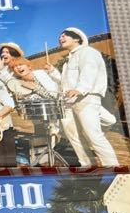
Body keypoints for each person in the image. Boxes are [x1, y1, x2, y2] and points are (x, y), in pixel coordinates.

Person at [48, 27, 119, 167]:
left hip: (86, 98)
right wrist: (53, 72)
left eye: (65, 36)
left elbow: (89, 71)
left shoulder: (87, 52)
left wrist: (80, 89)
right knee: (74, 137)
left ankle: (113, 167)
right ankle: (88, 165)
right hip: (68, 101)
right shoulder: (69, 60)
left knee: (94, 136)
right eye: (60, 36)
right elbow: (66, 83)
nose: (61, 38)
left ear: (77, 39)